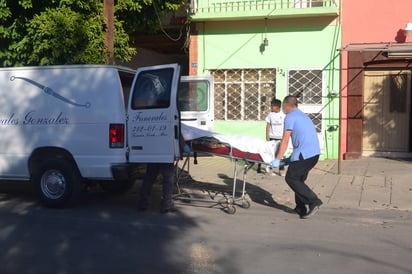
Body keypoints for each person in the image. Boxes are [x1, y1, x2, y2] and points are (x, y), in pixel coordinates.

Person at [271, 95, 322, 219]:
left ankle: (314, 201)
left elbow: (285, 140)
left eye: (283, 106)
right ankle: (300, 207)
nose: (283, 109)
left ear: (287, 105)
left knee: (291, 178)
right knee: (298, 180)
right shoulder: (303, 116)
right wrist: (287, 160)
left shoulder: (290, 117)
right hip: (313, 154)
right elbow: (302, 139)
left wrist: (277, 159)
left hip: (305, 154)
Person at [138, 136, 191, 213]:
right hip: (166, 152)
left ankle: (142, 203)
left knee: (149, 177)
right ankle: (166, 205)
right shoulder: (169, 123)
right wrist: (184, 146)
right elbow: (178, 134)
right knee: (168, 179)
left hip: (153, 151)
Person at [257, 98, 285, 174]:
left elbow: (286, 126)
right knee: (271, 154)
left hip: (281, 137)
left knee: (281, 154)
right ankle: (269, 168)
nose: (271, 108)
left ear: (277, 107)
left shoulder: (283, 115)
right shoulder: (270, 115)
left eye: (272, 106)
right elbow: (268, 125)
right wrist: (267, 136)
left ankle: (281, 170)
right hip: (272, 137)